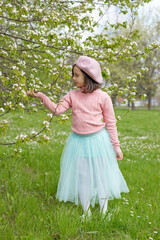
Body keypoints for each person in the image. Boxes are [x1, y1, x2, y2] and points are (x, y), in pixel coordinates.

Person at [27, 56, 129, 217]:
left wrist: (116, 147)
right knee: (83, 177)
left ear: (88, 76)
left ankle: (104, 211)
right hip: (78, 142)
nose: (73, 78)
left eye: (77, 75)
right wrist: (41, 96)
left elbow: (111, 123)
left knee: (101, 176)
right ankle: (86, 211)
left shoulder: (103, 97)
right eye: (73, 74)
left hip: (98, 141)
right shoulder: (72, 95)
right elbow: (57, 110)